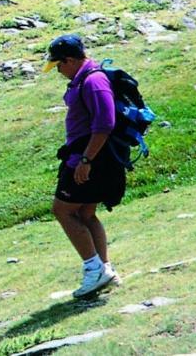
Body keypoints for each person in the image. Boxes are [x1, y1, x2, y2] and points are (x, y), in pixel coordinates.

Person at [44, 34, 122, 297]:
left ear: (69, 60)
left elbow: (105, 124)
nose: (59, 72)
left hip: (87, 159)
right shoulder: (85, 78)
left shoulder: (93, 81)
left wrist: (86, 161)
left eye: (59, 66)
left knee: (63, 210)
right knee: (86, 214)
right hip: (87, 157)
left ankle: (93, 268)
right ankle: (104, 269)